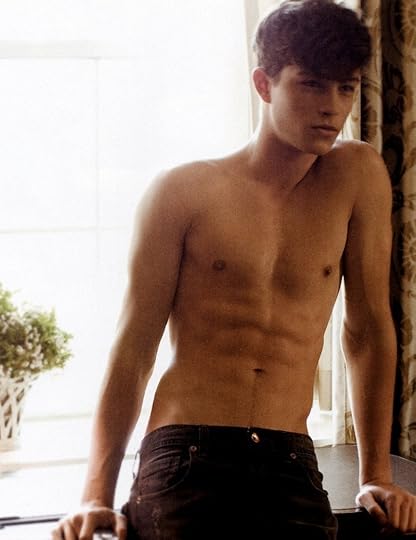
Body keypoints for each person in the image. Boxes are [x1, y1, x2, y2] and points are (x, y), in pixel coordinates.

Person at [52, 0, 416, 538]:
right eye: (312, 85)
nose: (332, 107)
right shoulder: (182, 192)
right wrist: (94, 496)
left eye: (347, 88)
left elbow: (367, 330)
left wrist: (376, 475)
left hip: (291, 459)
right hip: (186, 453)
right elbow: (133, 351)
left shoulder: (356, 176)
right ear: (264, 84)